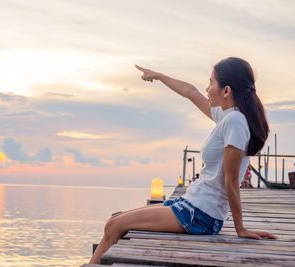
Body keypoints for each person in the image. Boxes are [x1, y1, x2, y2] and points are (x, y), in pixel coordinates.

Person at [89, 57, 277, 264]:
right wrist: (159, 76)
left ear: (226, 91)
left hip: (201, 214)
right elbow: (191, 92)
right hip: (192, 204)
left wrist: (240, 229)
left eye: (211, 83)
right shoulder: (228, 116)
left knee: (115, 226)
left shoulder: (234, 121)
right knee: (114, 221)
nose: (207, 89)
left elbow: (232, 180)